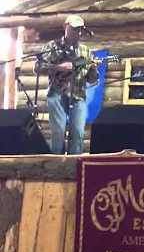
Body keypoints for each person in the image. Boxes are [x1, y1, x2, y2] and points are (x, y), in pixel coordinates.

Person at [35, 14, 99, 155]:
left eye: (80, 29)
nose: (78, 32)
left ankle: (73, 168)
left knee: (78, 134)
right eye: (75, 29)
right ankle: (56, 166)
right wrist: (58, 67)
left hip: (78, 95)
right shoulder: (52, 47)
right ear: (65, 26)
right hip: (56, 94)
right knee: (58, 133)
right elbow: (37, 68)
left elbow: (92, 80)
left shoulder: (85, 51)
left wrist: (94, 68)